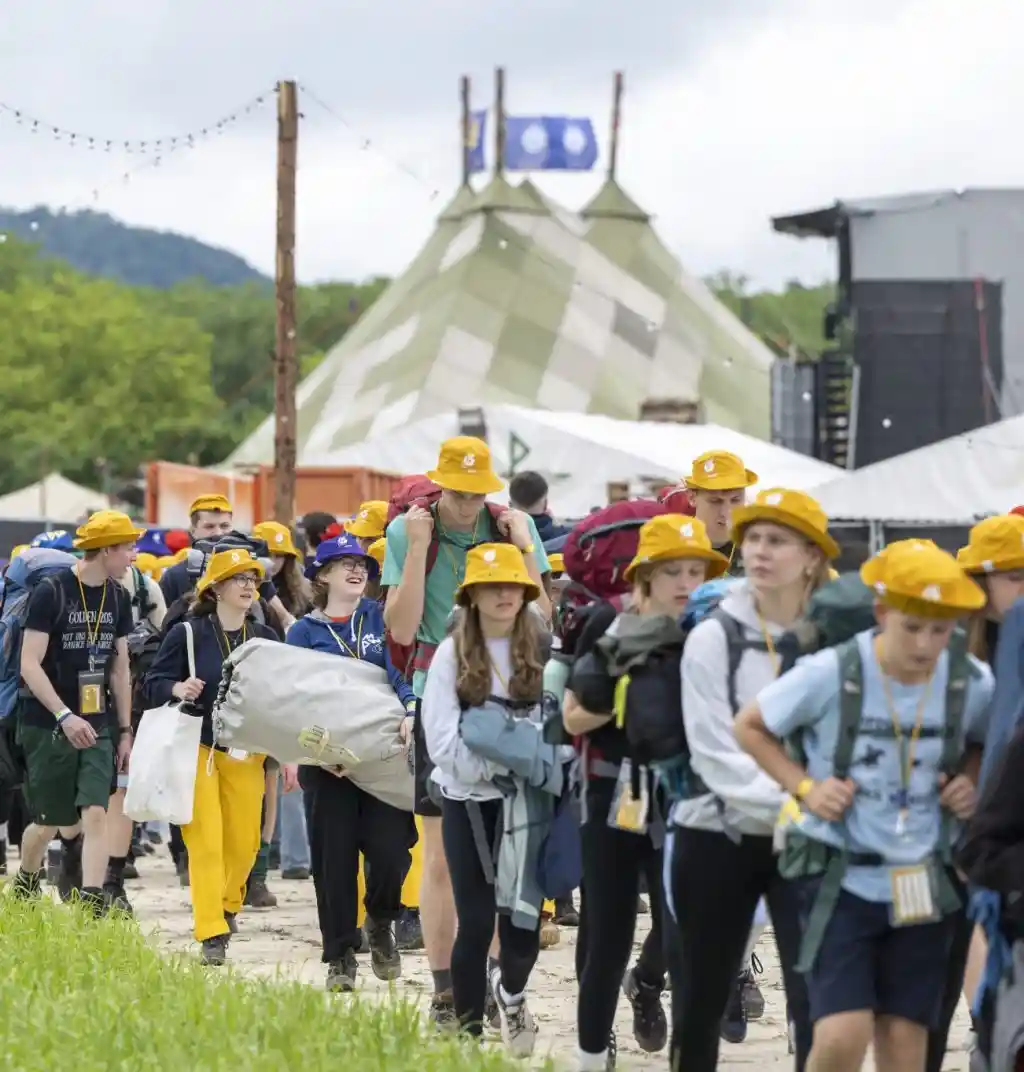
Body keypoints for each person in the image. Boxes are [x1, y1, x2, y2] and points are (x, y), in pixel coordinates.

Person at [737, 539, 994, 1072]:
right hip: (841, 879)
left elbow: (984, 740)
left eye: (940, 630)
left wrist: (969, 779)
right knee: (841, 1035)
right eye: (912, 627)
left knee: (905, 1042)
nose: (925, 644)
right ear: (881, 614)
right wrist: (805, 787)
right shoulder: (831, 671)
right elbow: (751, 726)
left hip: (924, 881)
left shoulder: (970, 680)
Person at [665, 488, 837, 1071]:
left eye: (778, 540)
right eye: (754, 537)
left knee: (815, 1002)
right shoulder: (713, 635)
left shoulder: (835, 635)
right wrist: (797, 801)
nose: (760, 550)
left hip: (809, 840)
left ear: (812, 556)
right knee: (701, 1002)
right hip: (718, 833)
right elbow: (713, 750)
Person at [382, 436, 551, 1025]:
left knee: (509, 851)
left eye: (477, 494)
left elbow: (543, 622)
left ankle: (498, 979)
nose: (467, 505)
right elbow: (402, 631)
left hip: (508, 696)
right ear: (440, 485)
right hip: (439, 688)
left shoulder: (509, 527)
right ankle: (446, 988)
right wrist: (417, 548)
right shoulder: (410, 529)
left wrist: (524, 546)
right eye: (458, 492)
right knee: (439, 858)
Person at [563, 515, 729, 1070]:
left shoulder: (714, 631)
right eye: (672, 571)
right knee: (608, 938)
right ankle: (591, 1056)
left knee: (685, 938)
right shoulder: (612, 623)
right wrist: (625, 694)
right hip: (613, 791)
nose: (686, 582)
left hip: (687, 797)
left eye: (696, 571)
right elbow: (571, 717)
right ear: (646, 576)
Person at [421, 542, 553, 1057]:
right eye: (492, 586)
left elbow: (556, 722)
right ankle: (469, 1037)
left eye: (513, 585)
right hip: (468, 801)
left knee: (523, 924)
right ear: (471, 595)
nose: (504, 594)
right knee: (476, 921)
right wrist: (498, 767)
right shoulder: (451, 653)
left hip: (527, 802)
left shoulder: (541, 646)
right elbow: (441, 738)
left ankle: (511, 993)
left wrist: (535, 766)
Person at [283, 533, 417, 991]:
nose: (357, 569)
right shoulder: (303, 632)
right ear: (322, 575)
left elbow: (400, 670)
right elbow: (294, 698)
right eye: (344, 563)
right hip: (327, 764)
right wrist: (318, 753)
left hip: (381, 757)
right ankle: (340, 956)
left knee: (391, 851)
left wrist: (411, 708)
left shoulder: (380, 617)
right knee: (334, 862)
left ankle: (381, 919)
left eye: (361, 563)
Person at [144, 547, 279, 965]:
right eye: (238, 578)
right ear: (215, 588)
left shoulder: (266, 638)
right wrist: (177, 688)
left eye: (252, 579)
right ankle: (211, 932)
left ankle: (227, 904)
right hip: (197, 749)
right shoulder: (187, 633)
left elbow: (282, 695)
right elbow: (152, 682)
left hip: (248, 753)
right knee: (205, 843)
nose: (248, 586)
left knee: (245, 844)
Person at [11, 510, 138, 914]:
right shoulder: (52, 592)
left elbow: (120, 669)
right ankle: (26, 878)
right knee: (49, 821)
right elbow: (29, 663)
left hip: (97, 720)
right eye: (128, 547)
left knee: (96, 811)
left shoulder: (119, 596)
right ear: (106, 550)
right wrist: (64, 715)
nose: (133, 555)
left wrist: (124, 731)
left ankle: (92, 901)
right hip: (48, 722)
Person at [102, 553, 166, 911]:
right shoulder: (69, 588)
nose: (133, 554)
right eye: (125, 545)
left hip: (132, 701)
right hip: (81, 702)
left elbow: (163, 644)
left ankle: (112, 877)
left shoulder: (145, 588)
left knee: (121, 790)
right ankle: (78, 862)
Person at [159, 494, 294, 633]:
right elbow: (162, 626)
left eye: (224, 526)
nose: (218, 533)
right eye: (209, 526)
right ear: (193, 531)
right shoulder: (175, 576)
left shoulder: (250, 570)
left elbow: (284, 618)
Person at [684, 450, 758, 572]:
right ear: (692, 497)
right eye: (716, 501)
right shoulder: (670, 547)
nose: (726, 512)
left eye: (735, 500)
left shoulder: (757, 554)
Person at [508, 472, 571, 546]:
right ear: (545, 503)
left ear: (510, 503)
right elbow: (564, 539)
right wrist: (557, 525)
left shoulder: (506, 527)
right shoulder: (549, 530)